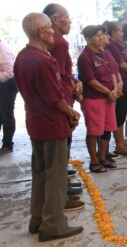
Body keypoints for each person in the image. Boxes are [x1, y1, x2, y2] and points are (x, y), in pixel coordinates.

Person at [14, 12, 83, 242]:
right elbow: (54, 98)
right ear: (41, 32)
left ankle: (37, 219)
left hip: (36, 122)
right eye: (50, 29)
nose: (54, 32)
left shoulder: (23, 57)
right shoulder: (42, 59)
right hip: (52, 123)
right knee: (55, 175)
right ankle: (53, 224)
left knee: (41, 173)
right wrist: (72, 112)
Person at [42, 3, 84, 209]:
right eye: (67, 17)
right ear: (54, 20)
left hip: (65, 94)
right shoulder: (58, 43)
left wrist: (75, 82)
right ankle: (62, 196)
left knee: (60, 152)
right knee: (60, 151)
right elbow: (57, 77)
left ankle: (63, 188)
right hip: (62, 98)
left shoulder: (55, 42)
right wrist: (68, 104)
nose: (70, 21)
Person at [78, 25, 120, 174]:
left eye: (102, 34)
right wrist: (109, 92)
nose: (101, 37)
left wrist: (115, 89)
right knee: (94, 131)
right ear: (88, 39)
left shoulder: (104, 53)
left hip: (109, 97)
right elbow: (91, 81)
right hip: (94, 98)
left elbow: (113, 73)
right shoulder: (85, 57)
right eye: (97, 35)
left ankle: (102, 157)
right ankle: (94, 161)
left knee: (107, 128)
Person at [104, 21, 127, 156]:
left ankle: (122, 142)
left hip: (125, 85)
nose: (122, 33)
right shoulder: (112, 46)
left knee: (122, 114)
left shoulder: (119, 46)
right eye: (120, 30)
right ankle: (119, 145)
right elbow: (121, 65)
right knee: (118, 115)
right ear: (113, 33)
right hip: (119, 86)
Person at [0, 37, 17, 155]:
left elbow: (10, 72)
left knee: (6, 114)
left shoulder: (3, 49)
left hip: (8, 84)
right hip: (3, 83)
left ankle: (7, 144)